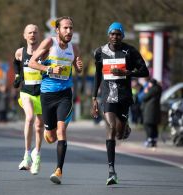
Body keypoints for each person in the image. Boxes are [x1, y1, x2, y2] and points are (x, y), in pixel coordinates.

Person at [91, 22, 149, 185]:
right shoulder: (99, 52)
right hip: (107, 97)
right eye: (112, 34)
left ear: (122, 36)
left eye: (118, 34)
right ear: (108, 35)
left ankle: (126, 126)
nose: (115, 37)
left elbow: (145, 71)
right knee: (110, 128)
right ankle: (111, 171)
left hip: (123, 97)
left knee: (119, 134)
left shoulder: (130, 51)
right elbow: (97, 75)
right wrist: (94, 98)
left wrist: (127, 72)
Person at [29, 16, 83, 184]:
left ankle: (58, 170)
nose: (69, 31)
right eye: (65, 28)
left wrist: (79, 68)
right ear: (57, 30)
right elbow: (32, 63)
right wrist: (49, 68)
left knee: (61, 132)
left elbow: (78, 69)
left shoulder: (74, 48)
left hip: (65, 94)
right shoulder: (49, 43)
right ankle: (47, 132)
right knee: (51, 137)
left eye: (71, 28)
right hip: (47, 94)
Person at [13, 24, 44, 175]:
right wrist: (17, 76)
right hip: (26, 92)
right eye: (30, 32)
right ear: (24, 35)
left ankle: (36, 155)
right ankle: (26, 155)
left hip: (41, 92)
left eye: (35, 32)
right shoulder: (20, 52)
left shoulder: (44, 52)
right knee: (29, 118)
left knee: (39, 126)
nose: (32, 35)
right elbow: (16, 64)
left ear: (39, 35)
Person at [141, 78, 162, 147]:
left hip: (149, 110)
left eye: (149, 83)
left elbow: (144, 98)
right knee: (154, 125)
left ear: (151, 84)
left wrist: (146, 91)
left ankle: (149, 139)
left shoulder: (151, 90)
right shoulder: (159, 89)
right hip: (156, 110)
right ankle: (154, 140)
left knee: (148, 124)